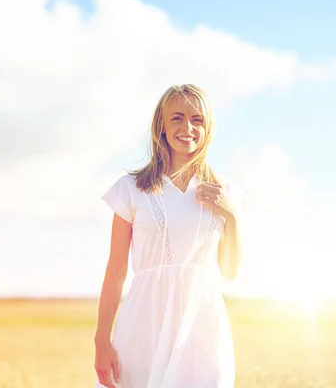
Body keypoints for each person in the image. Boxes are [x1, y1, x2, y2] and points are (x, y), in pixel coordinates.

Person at [93, 84, 245, 388]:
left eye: (197, 119)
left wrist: (231, 215)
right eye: (177, 118)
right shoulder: (131, 188)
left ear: (208, 127)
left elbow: (229, 271)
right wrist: (101, 340)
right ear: (161, 125)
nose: (187, 127)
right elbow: (116, 271)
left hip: (200, 326)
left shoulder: (224, 190)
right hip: (143, 324)